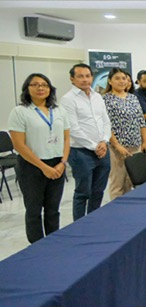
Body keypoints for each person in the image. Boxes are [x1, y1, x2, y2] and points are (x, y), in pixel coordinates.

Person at [8, 73, 70, 243]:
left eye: (44, 84)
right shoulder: (20, 112)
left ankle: (53, 243)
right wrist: (44, 167)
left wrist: (63, 162)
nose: (40, 88)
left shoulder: (59, 110)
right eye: (35, 84)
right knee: (34, 211)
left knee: (53, 209)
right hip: (32, 166)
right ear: (27, 89)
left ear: (50, 89)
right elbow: (19, 145)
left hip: (57, 164)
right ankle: (36, 246)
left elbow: (66, 138)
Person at [61, 63, 112, 221]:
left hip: (102, 149)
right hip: (81, 152)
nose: (85, 79)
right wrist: (95, 146)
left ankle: (93, 221)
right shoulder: (68, 99)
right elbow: (73, 129)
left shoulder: (98, 96)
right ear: (72, 79)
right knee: (83, 192)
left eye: (88, 76)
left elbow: (106, 122)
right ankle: (79, 225)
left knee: (98, 191)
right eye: (80, 76)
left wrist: (104, 141)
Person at [103, 68, 146, 199]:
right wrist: (117, 146)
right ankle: (116, 208)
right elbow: (106, 125)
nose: (121, 81)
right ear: (110, 81)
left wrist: (145, 141)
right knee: (118, 182)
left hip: (135, 145)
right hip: (117, 147)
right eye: (117, 78)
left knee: (131, 181)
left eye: (124, 78)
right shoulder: (105, 99)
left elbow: (141, 121)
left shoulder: (133, 98)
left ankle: (128, 206)